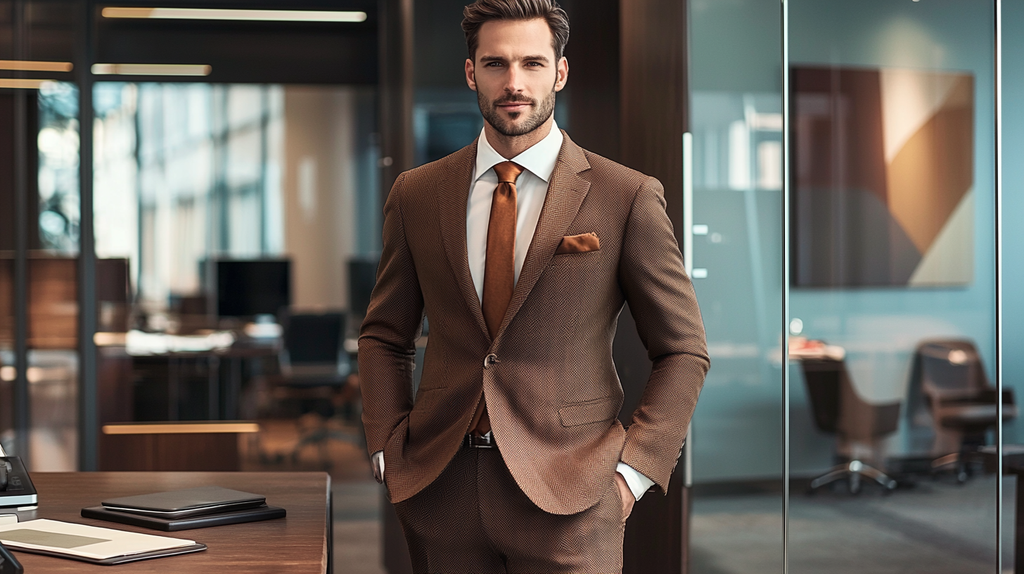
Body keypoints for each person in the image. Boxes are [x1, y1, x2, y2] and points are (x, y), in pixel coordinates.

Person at [358, 0, 709, 571]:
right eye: (495, 64)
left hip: (574, 495)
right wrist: (385, 448)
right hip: (440, 488)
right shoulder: (417, 194)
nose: (514, 82)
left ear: (560, 72)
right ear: (471, 72)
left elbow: (683, 349)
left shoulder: (626, 196)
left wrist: (632, 475)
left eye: (532, 63)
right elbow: (383, 335)